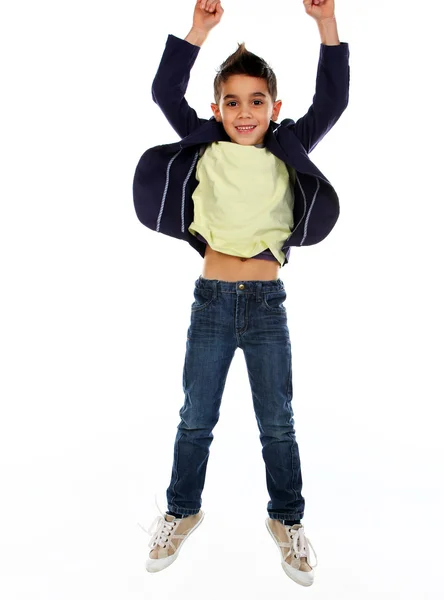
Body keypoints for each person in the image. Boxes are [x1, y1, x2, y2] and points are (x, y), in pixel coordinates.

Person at [134, 0, 350, 586]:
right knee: (195, 419)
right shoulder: (204, 144)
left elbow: (333, 100)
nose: (245, 112)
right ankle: (182, 511)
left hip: (266, 309)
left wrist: (326, 27)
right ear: (217, 108)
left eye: (258, 101)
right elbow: (163, 92)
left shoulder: (288, 145)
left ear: (275, 108)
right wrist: (198, 32)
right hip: (210, 303)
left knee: (277, 422)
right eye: (233, 102)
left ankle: (287, 522)